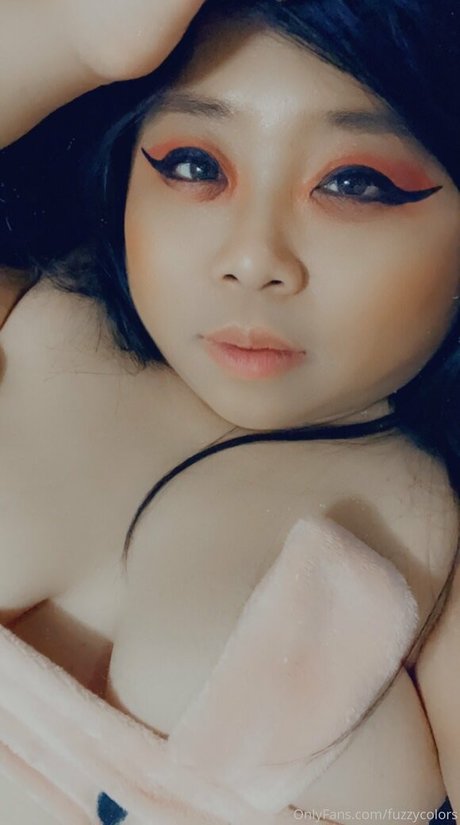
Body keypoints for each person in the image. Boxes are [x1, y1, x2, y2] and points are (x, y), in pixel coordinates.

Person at [0, 0, 459, 820]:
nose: (252, 258)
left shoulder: (442, 542)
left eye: (354, 183)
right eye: (194, 165)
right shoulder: (34, 324)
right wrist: (77, 42)